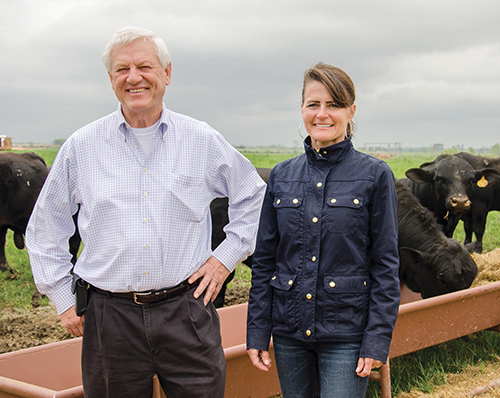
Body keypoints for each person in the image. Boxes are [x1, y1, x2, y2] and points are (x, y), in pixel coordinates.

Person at [26, 26, 266, 398]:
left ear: (166, 74)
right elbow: (45, 226)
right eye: (122, 69)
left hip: (187, 309)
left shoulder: (201, 140)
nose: (133, 77)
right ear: (110, 79)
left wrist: (224, 259)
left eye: (145, 67)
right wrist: (61, 296)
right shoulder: (82, 147)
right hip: (109, 318)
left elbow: (254, 197)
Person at [246, 62, 401, 398]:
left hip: (346, 334)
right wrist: (258, 331)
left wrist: (376, 339)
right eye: (313, 104)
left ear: (351, 111)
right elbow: (265, 261)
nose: (322, 114)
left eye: (333, 104)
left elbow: (386, 265)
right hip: (289, 333)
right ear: (302, 109)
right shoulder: (282, 176)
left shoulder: (374, 176)